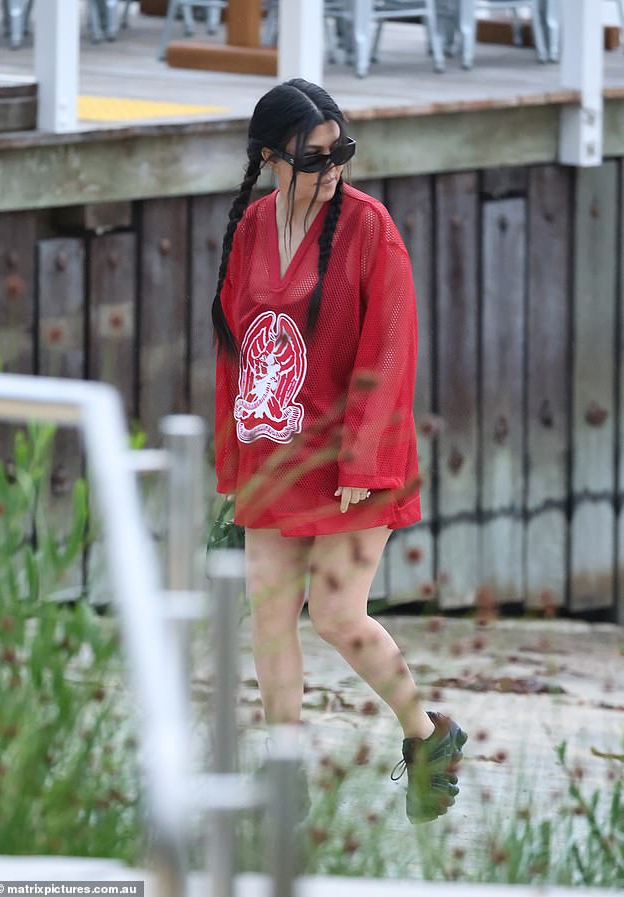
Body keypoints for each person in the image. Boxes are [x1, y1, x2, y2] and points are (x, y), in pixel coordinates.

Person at [212, 78, 467, 824]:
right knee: (268, 616)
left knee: (336, 614)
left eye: (340, 151)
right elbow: (236, 347)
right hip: (275, 450)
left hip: (356, 457)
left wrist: (363, 460)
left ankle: (428, 735)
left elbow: (391, 347)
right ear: (269, 157)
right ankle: (284, 777)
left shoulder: (368, 226)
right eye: (314, 157)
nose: (333, 170)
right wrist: (235, 455)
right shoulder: (252, 227)